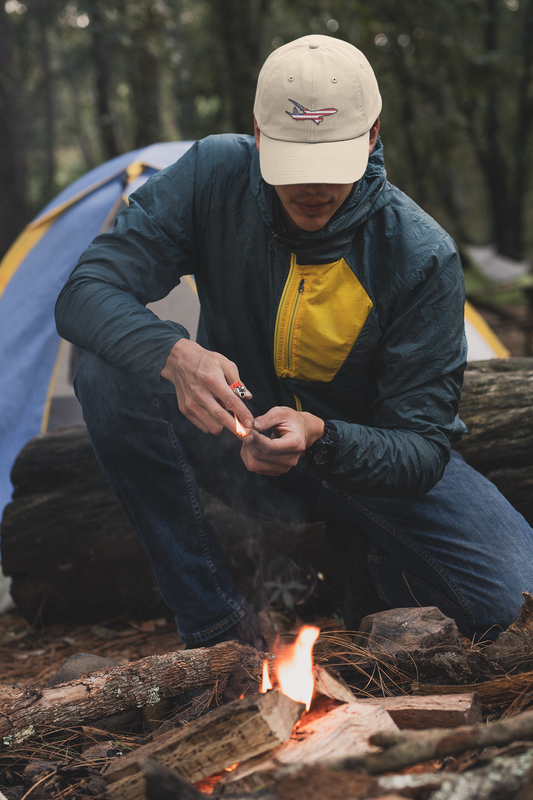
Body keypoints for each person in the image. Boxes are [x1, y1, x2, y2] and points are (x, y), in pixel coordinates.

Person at [55, 34, 533, 648]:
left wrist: (323, 437)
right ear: (257, 133)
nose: (311, 189)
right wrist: (175, 355)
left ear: (373, 133)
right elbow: (85, 290)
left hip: (363, 460)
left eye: (329, 165)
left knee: (513, 597)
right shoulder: (213, 176)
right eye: (293, 165)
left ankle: (372, 564)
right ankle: (216, 629)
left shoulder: (419, 254)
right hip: (236, 440)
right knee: (105, 370)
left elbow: (421, 448)